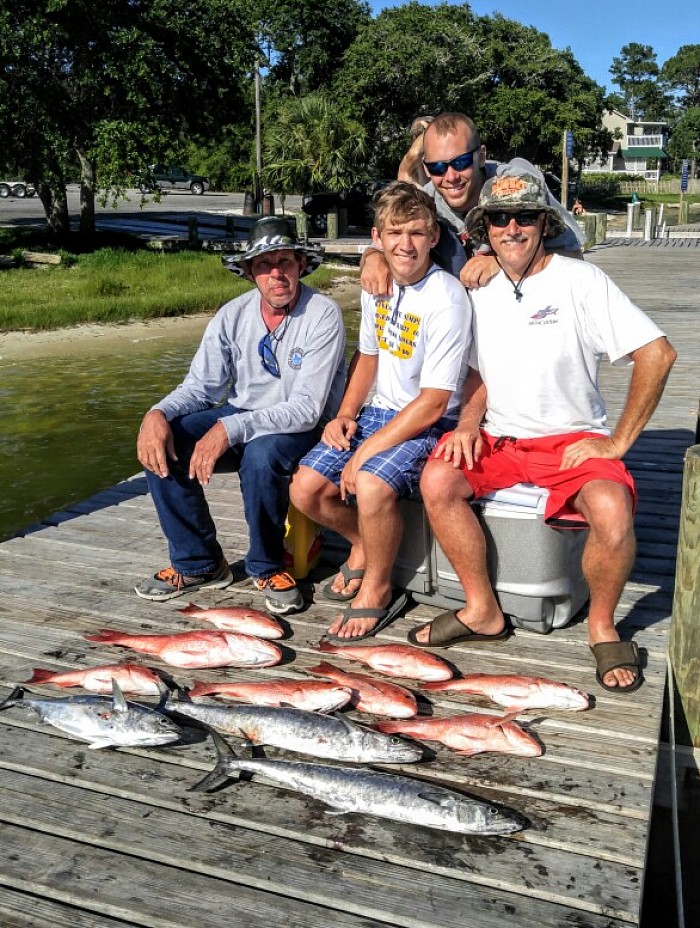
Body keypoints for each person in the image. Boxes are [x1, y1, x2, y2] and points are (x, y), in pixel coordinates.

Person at [410, 171, 677, 694]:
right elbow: (478, 373)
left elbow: (657, 354)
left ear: (544, 223)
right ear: (483, 227)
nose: (512, 228)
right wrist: (468, 422)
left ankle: (602, 627)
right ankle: (481, 608)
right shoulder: (478, 287)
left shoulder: (580, 280)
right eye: (499, 219)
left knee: (612, 508)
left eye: (525, 217)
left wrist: (618, 441)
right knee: (437, 481)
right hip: (502, 439)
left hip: (571, 439)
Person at [135, 216, 346, 614]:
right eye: (264, 265)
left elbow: (306, 408)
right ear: (250, 272)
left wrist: (228, 429)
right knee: (168, 438)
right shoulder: (231, 315)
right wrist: (157, 413)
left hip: (302, 424)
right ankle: (199, 563)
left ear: (301, 264)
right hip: (243, 412)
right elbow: (203, 387)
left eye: (285, 261)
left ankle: (267, 565)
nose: (276, 274)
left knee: (262, 456)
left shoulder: (323, 314)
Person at [290, 181, 471, 641]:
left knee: (368, 481)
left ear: (433, 237)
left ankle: (379, 588)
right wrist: (344, 413)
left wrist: (363, 452)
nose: (404, 244)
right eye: (394, 233)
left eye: (415, 232)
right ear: (377, 237)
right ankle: (362, 544)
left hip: (428, 421)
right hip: (378, 412)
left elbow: (433, 402)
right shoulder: (377, 286)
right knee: (306, 490)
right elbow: (368, 357)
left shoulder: (447, 297)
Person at [367, 111, 584, 293]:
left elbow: (574, 256)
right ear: (426, 168)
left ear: (481, 156)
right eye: (438, 168)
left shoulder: (516, 185)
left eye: (461, 163)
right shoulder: (426, 198)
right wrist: (372, 258)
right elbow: (385, 239)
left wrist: (503, 261)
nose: (451, 177)